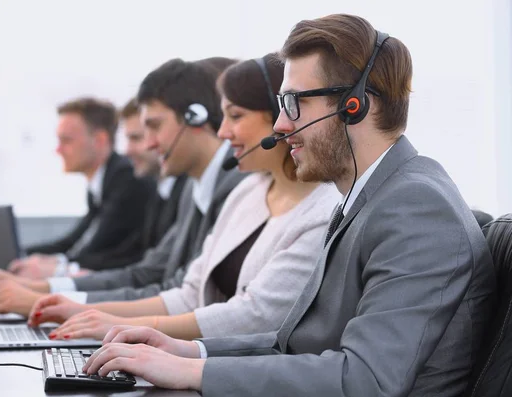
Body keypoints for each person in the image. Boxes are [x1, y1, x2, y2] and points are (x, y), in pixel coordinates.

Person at [81, 14, 496, 396]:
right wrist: (189, 351)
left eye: (294, 103)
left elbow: (365, 379)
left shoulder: (415, 207)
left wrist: (193, 375)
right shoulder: (371, 195)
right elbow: (293, 344)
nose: (280, 125)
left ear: (356, 105)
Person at [26, 54, 339, 342]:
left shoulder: (322, 208)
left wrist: (128, 327)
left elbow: (255, 316)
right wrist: (95, 316)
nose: (223, 131)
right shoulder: (247, 192)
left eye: (236, 116)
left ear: (279, 116)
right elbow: (188, 292)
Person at [0, 58, 245, 318]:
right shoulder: (194, 189)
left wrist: (50, 301)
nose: (148, 144)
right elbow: (146, 274)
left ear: (195, 117)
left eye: (153, 126)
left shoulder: (233, 188)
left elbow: (184, 298)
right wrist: (44, 290)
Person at [0, 97, 156, 280]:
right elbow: (73, 242)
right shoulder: (103, 181)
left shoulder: (128, 180)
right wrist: (19, 256)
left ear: (100, 140)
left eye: (66, 140)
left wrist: (55, 267)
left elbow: (95, 251)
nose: (58, 150)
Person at [71, 98, 189, 271]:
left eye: (136, 138)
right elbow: (139, 258)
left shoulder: (181, 190)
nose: (127, 151)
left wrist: (68, 274)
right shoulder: (161, 191)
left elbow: (152, 269)